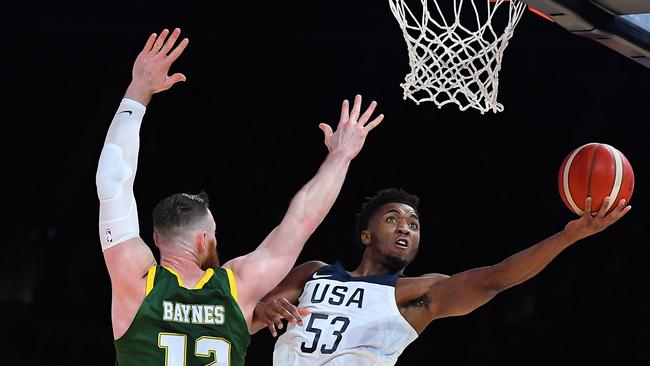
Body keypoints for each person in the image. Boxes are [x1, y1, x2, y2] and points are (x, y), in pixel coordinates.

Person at [95, 27, 384, 365]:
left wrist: (138, 89)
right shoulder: (238, 286)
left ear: (157, 237)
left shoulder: (135, 279)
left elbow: (112, 178)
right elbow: (303, 220)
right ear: (204, 239)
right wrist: (341, 156)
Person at [252, 187, 632, 365]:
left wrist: (567, 237)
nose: (405, 228)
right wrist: (266, 308)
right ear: (366, 235)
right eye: (393, 220)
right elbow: (248, 314)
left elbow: (494, 278)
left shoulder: (419, 292)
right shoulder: (313, 273)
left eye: (413, 225)